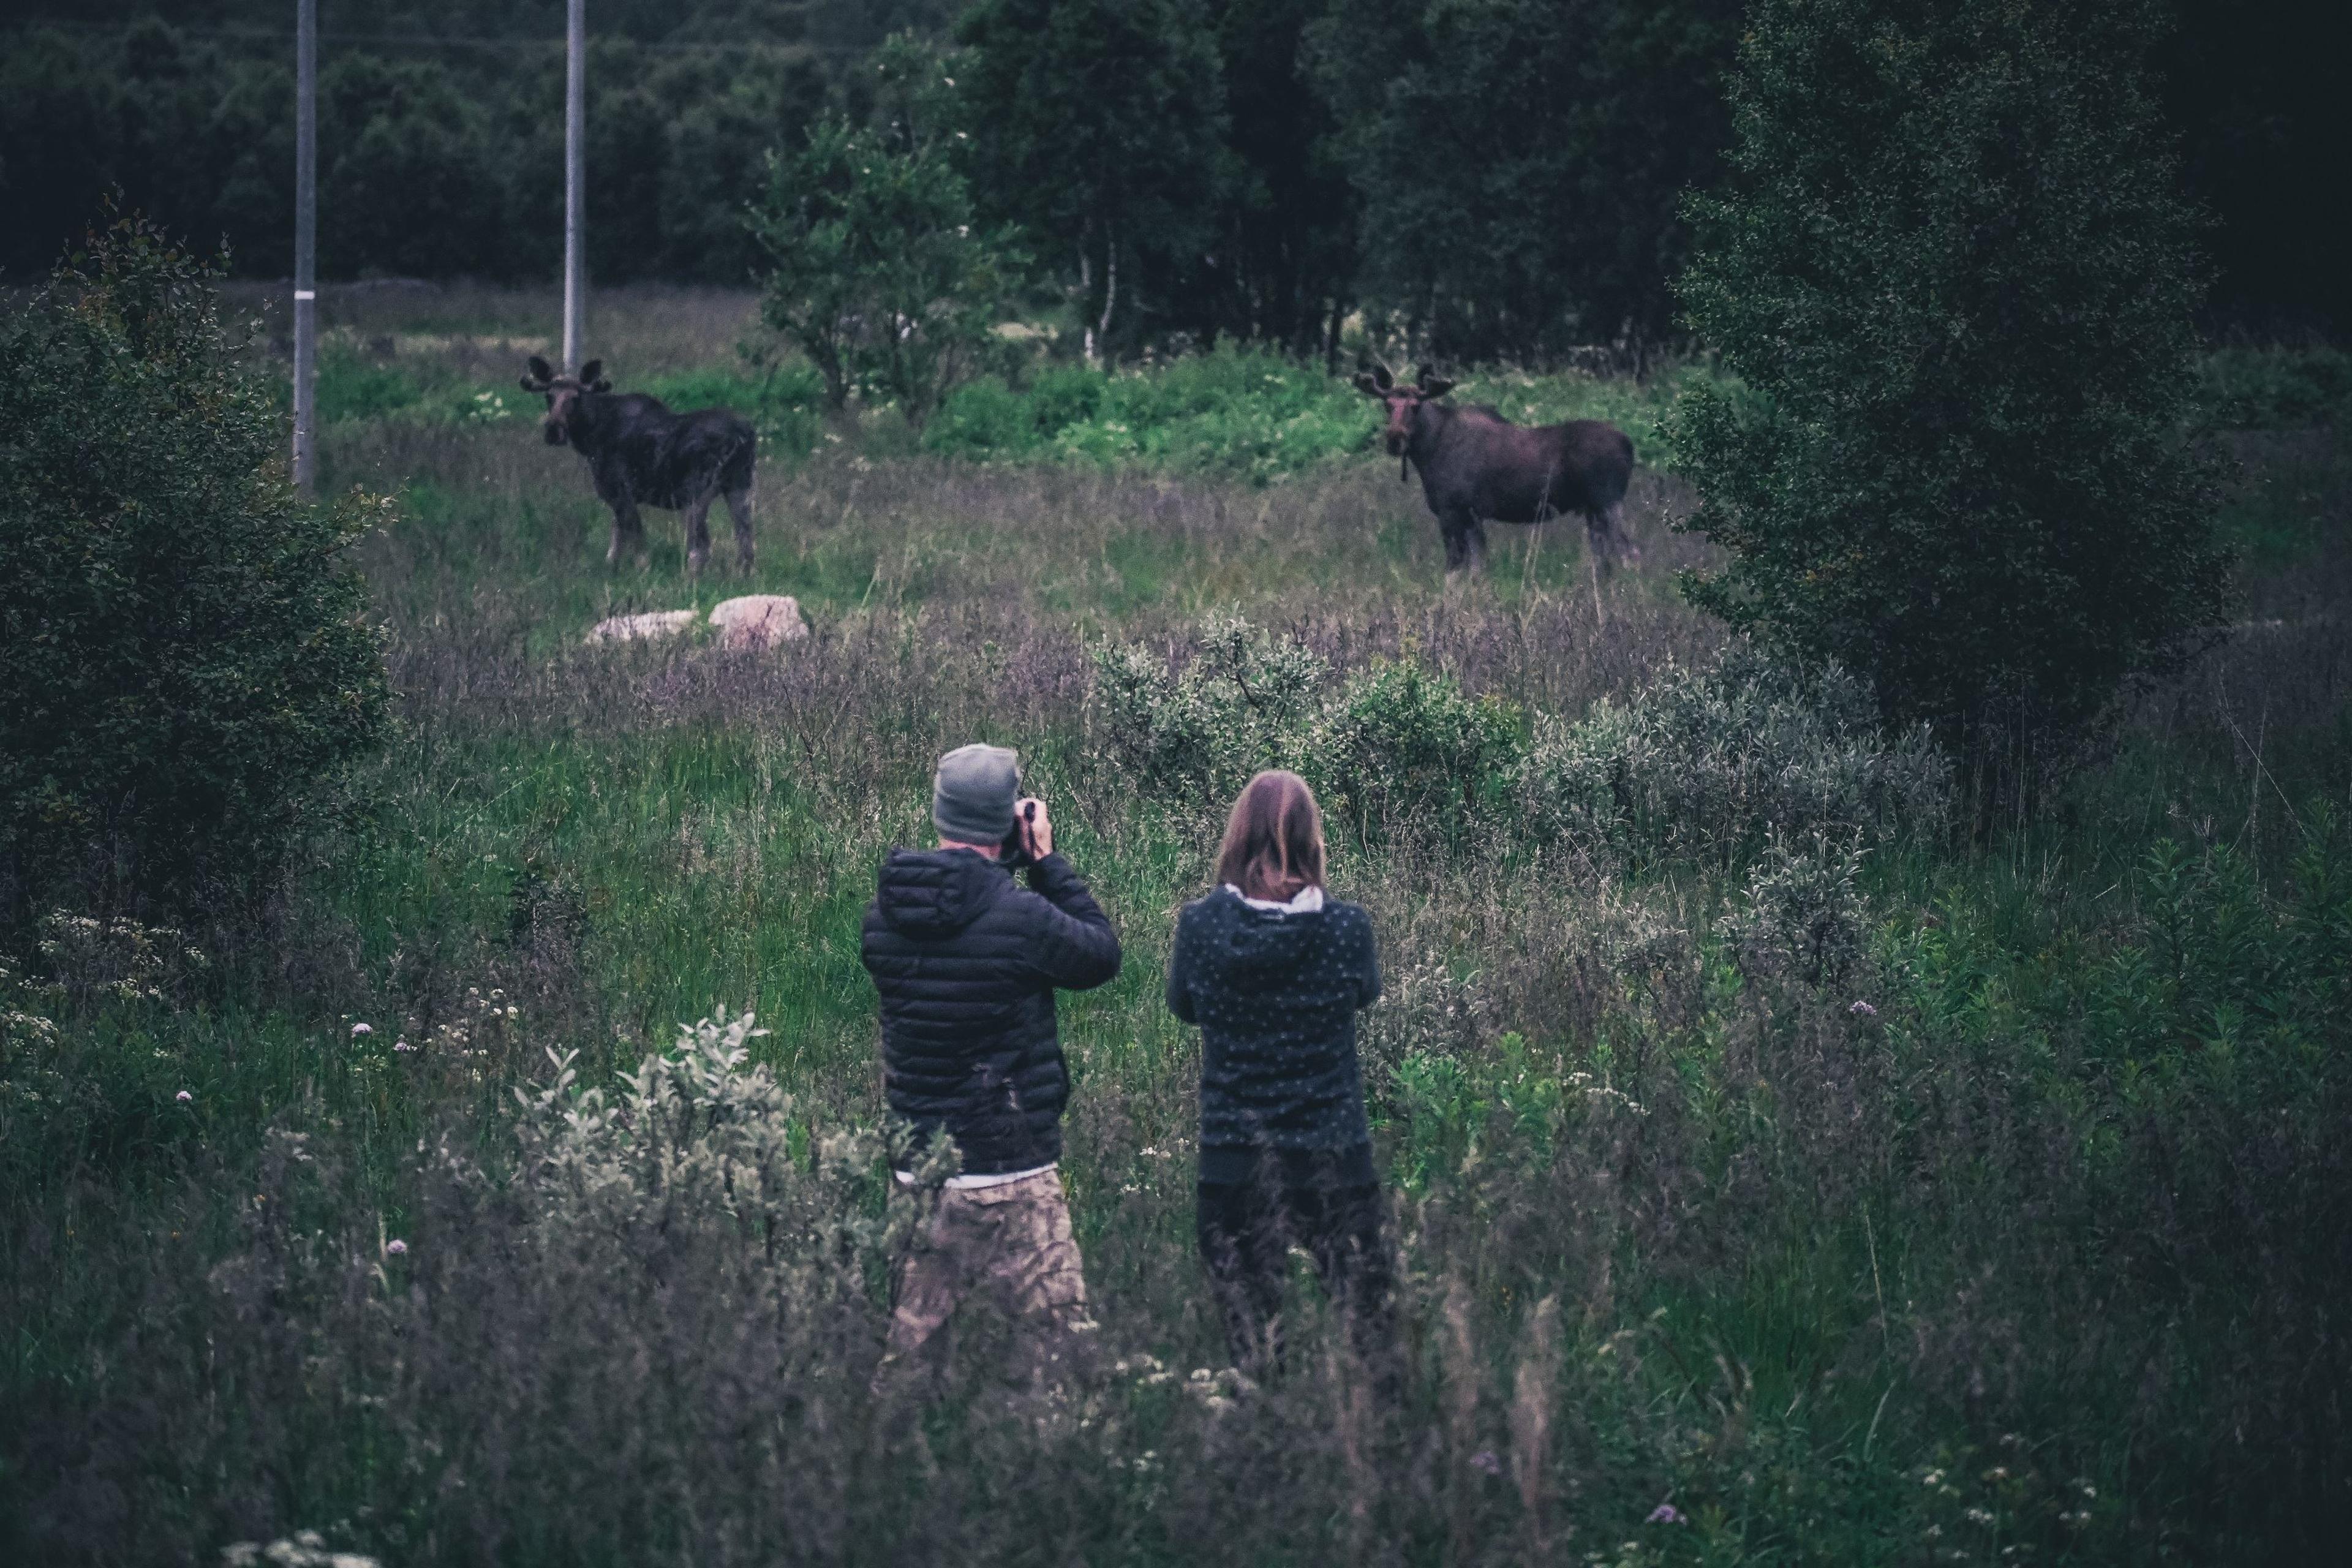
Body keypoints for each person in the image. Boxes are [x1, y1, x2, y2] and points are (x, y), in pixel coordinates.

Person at [861, 742, 1122, 1387]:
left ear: (941, 813)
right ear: (1007, 818)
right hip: (1012, 1170)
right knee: (1058, 1359)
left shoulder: (884, 919)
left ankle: (882, 1471)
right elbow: (1100, 955)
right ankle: (1050, 1472)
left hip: (920, 1167)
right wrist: (1045, 861)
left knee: (911, 1366)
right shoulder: (1022, 916)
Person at [1165, 770, 1395, 1387]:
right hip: (1334, 1158)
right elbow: (1365, 992)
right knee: (1374, 1335)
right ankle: (1380, 1456)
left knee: (1253, 1348)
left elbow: (1184, 1005)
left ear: (1236, 840)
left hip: (1234, 1160)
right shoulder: (1346, 928)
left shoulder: (1202, 926)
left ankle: (1263, 1458)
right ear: (1312, 838)